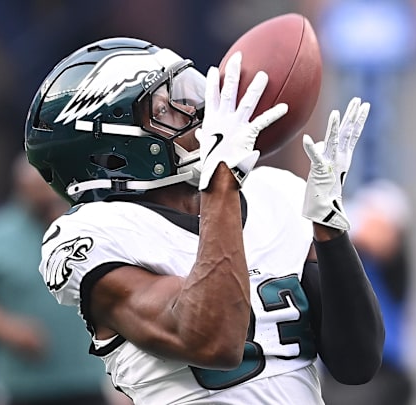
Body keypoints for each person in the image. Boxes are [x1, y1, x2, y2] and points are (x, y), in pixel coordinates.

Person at [25, 37, 384, 404]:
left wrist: (330, 231)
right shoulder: (96, 232)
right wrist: (221, 183)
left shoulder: (273, 193)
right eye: (165, 107)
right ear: (113, 149)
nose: (194, 111)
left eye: (186, 94)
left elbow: (356, 362)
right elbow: (213, 340)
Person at [0, 154, 111, 405]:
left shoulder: (84, 227)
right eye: (38, 190)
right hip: (24, 384)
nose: (47, 197)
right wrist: (7, 328)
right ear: (20, 189)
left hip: (87, 377)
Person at [321, 179, 414, 405]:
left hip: (381, 375)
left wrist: (332, 226)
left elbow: (376, 239)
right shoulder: (347, 257)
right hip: (337, 374)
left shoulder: (393, 261)